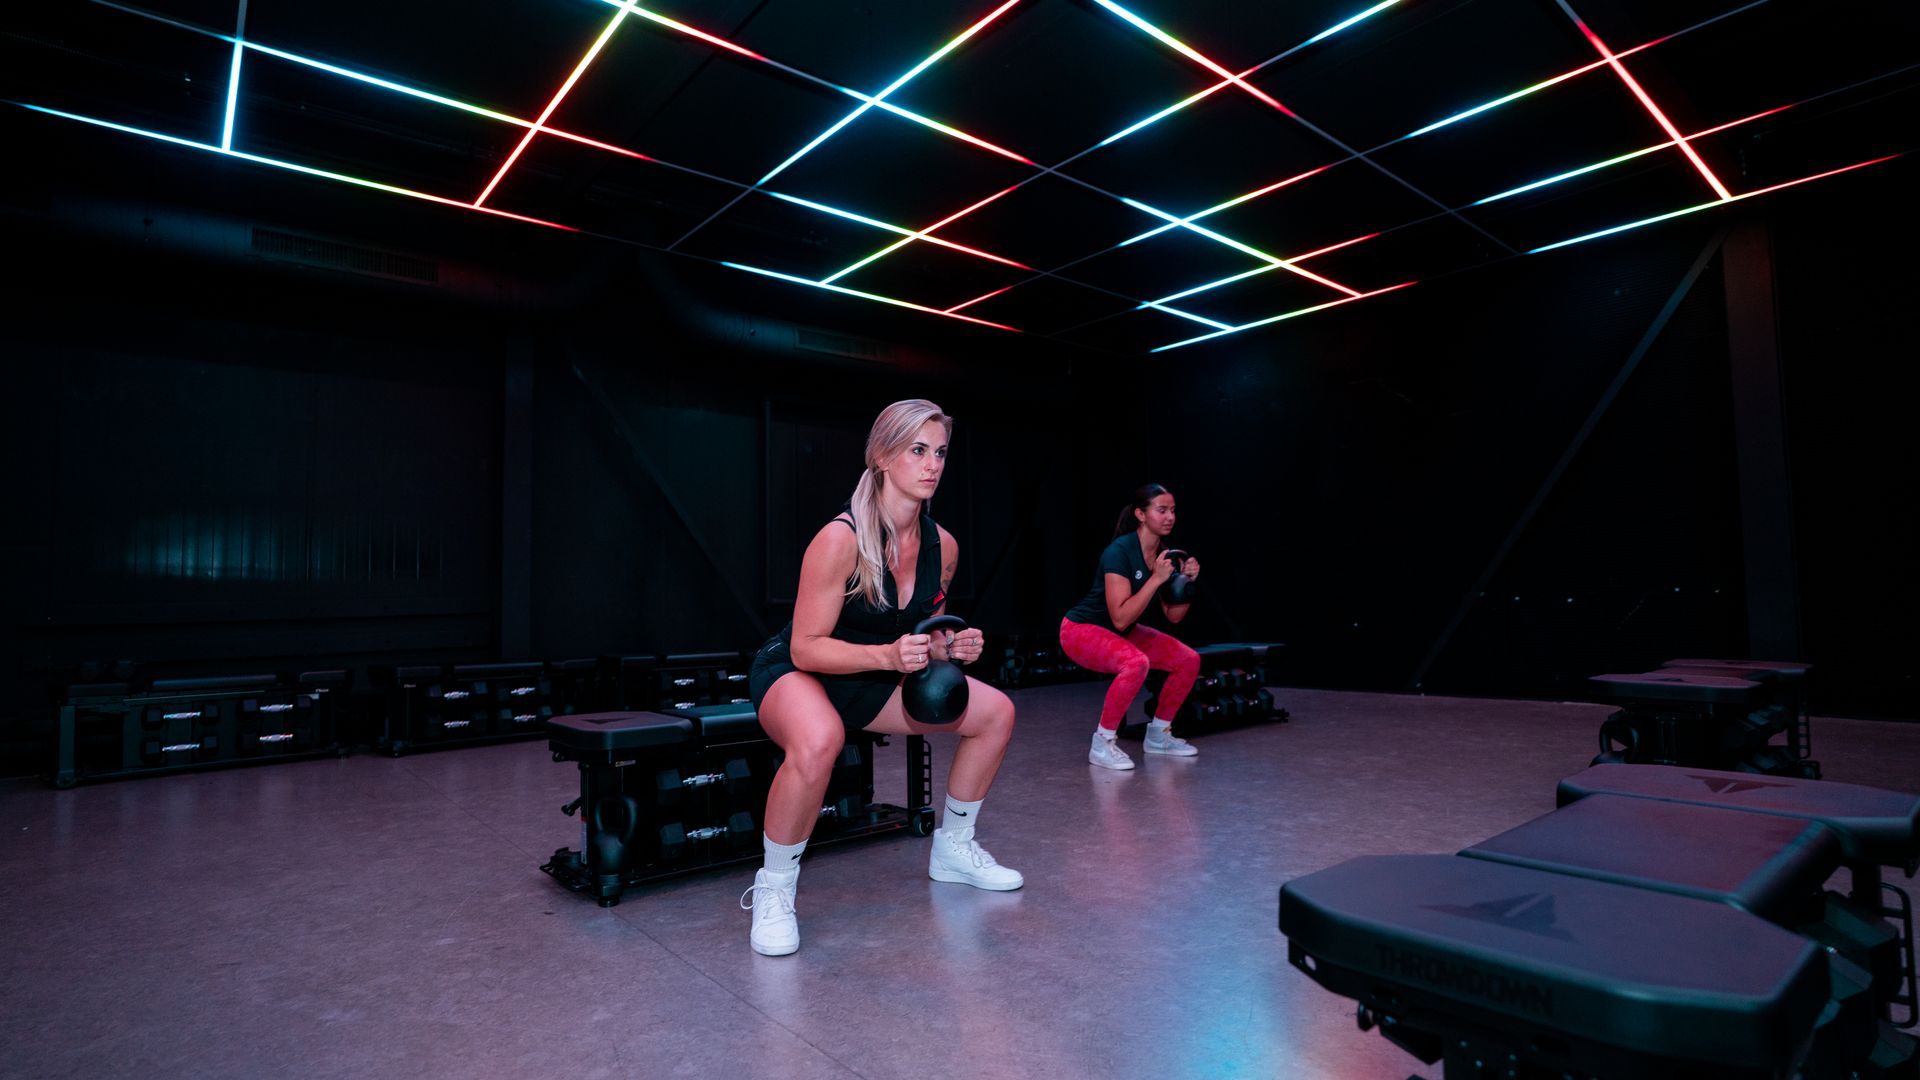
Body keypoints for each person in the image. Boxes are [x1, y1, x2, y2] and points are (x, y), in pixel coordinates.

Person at [741, 399, 1022, 957]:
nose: (932, 464)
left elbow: (917, 634)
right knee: (821, 739)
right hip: (796, 670)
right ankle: (774, 889)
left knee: (996, 713)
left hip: (872, 670)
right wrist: (892, 658)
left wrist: (952, 646)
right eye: (918, 450)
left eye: (939, 452)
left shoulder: (945, 546)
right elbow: (807, 646)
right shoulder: (839, 539)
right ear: (882, 455)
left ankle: (954, 848)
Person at [1058, 483, 1202, 771]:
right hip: (1080, 630)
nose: (1169, 517)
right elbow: (1120, 617)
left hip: (1119, 631)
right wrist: (1156, 580)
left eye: (1172, 511)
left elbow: (1173, 616)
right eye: (1161, 510)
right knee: (1136, 663)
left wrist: (1187, 584)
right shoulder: (1119, 552)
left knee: (1188, 660)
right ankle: (1102, 742)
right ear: (1140, 514)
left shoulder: (1164, 555)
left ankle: (1159, 735)